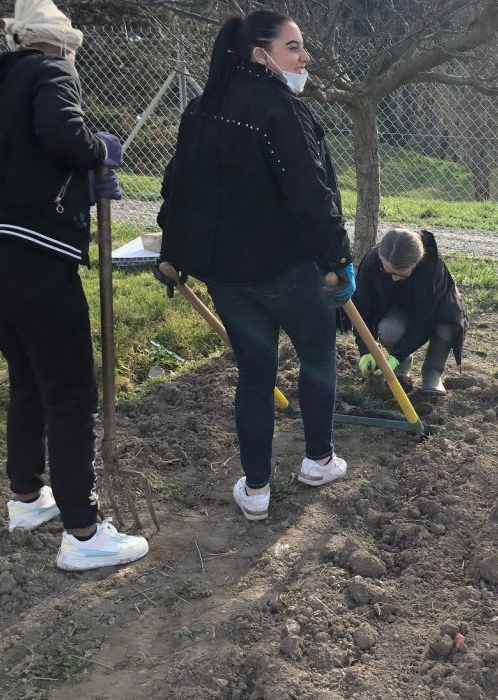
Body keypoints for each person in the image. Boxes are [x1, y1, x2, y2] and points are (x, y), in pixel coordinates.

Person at [0, 0, 148, 570]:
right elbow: (63, 137)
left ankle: (26, 498)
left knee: (29, 380)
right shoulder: (52, 70)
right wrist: (98, 155)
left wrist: (77, 182)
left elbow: (14, 163)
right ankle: (84, 534)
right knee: (70, 393)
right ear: (62, 45)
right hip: (33, 258)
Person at [155, 11, 354, 522]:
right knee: (316, 358)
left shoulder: (199, 111)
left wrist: (173, 253)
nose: (304, 56)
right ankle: (318, 460)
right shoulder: (282, 111)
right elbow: (313, 195)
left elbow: (178, 192)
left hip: (227, 277)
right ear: (258, 55)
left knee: (254, 375)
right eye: (293, 47)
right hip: (286, 269)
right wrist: (338, 259)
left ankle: (258, 490)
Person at [351, 227, 467, 396]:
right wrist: (365, 350)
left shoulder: (432, 269)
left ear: (417, 262)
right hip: (397, 309)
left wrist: (396, 354)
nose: (394, 278)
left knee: (448, 325)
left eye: (401, 274)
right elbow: (362, 308)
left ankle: (432, 373)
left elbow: (424, 321)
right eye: (388, 271)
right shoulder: (371, 262)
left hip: (436, 313)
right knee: (389, 331)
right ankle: (401, 365)